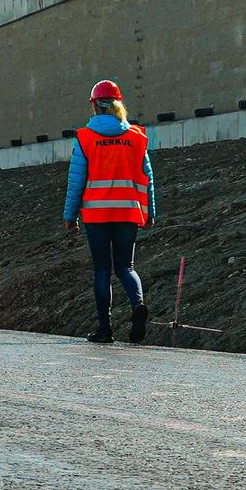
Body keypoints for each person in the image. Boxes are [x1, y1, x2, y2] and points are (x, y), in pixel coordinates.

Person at [64, 78, 154, 342]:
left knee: (102, 270)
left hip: (97, 215)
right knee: (126, 266)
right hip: (128, 212)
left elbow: (76, 180)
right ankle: (138, 306)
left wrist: (70, 217)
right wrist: (150, 213)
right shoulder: (136, 137)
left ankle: (105, 328)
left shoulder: (86, 138)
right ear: (119, 105)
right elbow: (147, 177)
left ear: (94, 106)